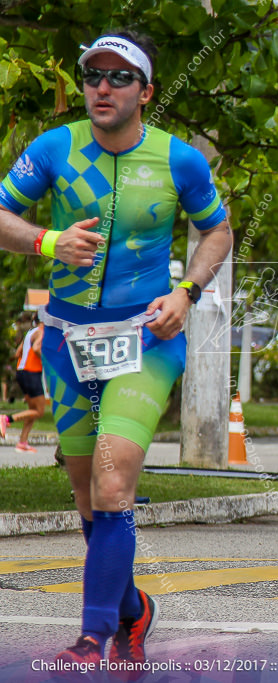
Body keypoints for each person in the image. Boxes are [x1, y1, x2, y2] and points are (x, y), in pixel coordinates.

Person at [0, 31, 232, 665]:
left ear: (146, 91)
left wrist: (187, 292)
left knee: (112, 483)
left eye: (119, 77)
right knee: (86, 495)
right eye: (92, 76)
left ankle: (93, 634)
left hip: (144, 340)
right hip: (66, 340)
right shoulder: (55, 147)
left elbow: (218, 232)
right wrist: (46, 241)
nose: (102, 87)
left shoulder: (179, 160)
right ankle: (133, 608)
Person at [1, 316, 47, 452]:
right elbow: (37, 348)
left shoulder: (30, 333)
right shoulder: (41, 331)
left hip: (22, 372)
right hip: (32, 372)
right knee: (39, 411)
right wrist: (47, 362)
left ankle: (22, 442)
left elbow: (17, 353)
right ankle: (6, 419)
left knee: (32, 410)